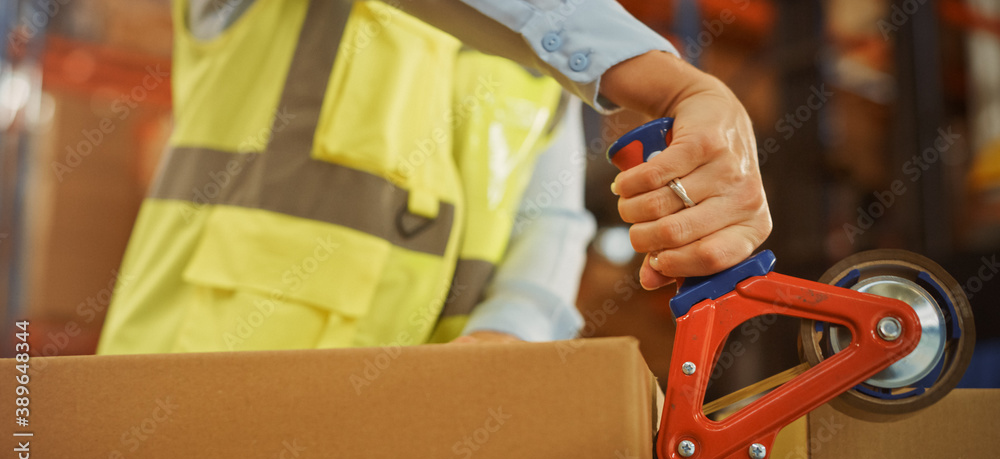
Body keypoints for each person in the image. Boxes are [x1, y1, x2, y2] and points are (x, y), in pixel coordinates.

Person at [97, 0, 770, 354]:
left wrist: (512, 329)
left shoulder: (545, 57)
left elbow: (550, 219)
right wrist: (670, 81)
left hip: (409, 430)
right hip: (193, 388)